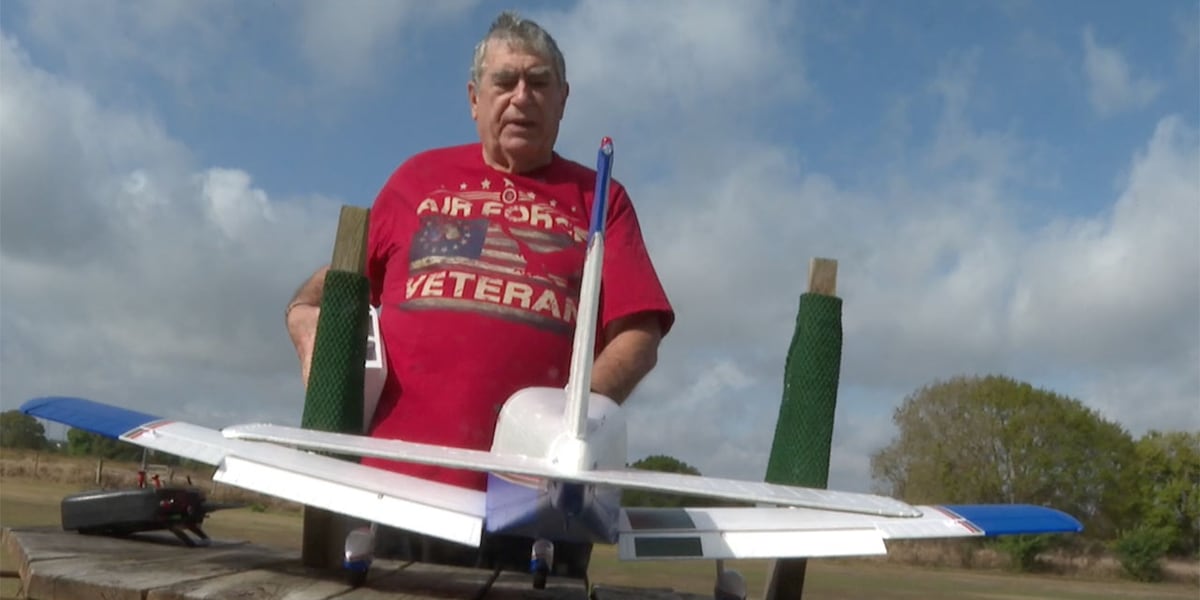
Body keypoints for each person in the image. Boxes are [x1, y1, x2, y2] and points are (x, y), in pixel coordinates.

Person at [283, 10, 674, 577]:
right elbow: (334, 284)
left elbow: (638, 334)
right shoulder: (416, 178)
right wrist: (303, 318)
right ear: (474, 98)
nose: (522, 97)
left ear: (563, 99)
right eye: (504, 81)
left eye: (539, 83)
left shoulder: (600, 199)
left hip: (533, 509)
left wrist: (568, 426)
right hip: (392, 496)